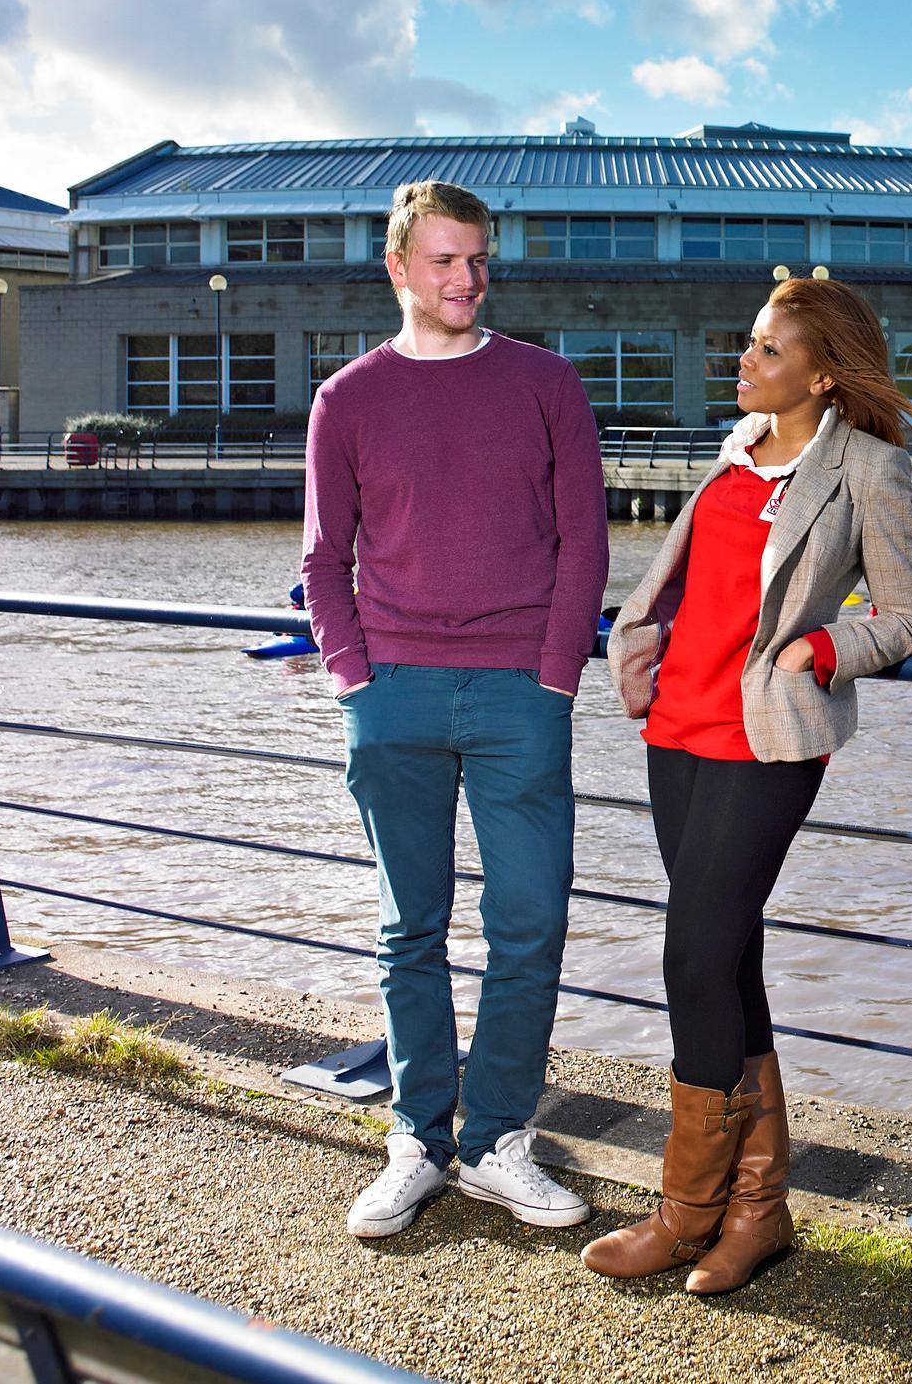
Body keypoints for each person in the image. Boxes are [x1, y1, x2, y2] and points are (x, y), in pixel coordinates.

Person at [591, 276, 912, 1294]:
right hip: (675, 729)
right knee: (727, 960)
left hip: (765, 739)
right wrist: (639, 643)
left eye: (767, 352)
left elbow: (911, 614)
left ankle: (683, 1213)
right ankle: (756, 1210)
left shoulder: (866, 470)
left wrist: (822, 648)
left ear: (821, 373)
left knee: (690, 953)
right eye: (747, 344)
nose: (743, 362)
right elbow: (694, 583)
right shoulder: (732, 454)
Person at [303, 179, 609, 1239]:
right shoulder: (346, 397)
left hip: (521, 690)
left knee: (530, 919)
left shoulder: (546, 383)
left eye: (477, 260)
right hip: (394, 695)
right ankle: (417, 1137)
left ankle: (497, 1141)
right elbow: (320, 555)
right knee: (409, 925)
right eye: (441, 261)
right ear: (396, 268)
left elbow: (585, 543)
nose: (464, 280)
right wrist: (352, 675)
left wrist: (557, 673)